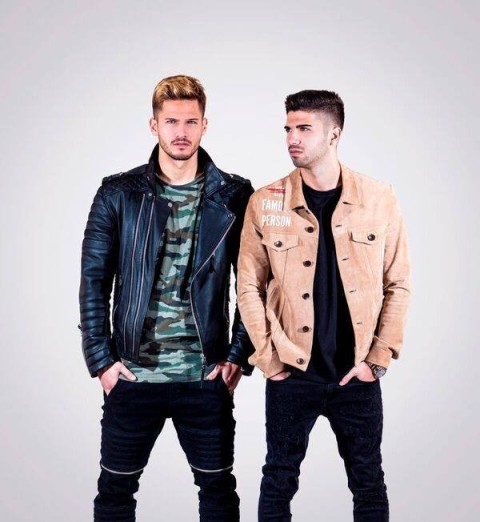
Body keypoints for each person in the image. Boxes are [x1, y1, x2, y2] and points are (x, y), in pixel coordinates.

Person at [79, 74, 254, 521]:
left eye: (191, 121)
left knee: (218, 492)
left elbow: (255, 284)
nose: (181, 132)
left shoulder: (234, 195)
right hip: (133, 375)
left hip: (205, 375)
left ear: (204, 125)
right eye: (171, 121)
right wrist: (101, 361)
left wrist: (237, 355)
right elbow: (93, 281)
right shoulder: (118, 193)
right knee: (114, 495)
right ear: (153, 125)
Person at [237, 89, 411, 521]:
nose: (292, 138)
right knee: (278, 479)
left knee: (368, 481)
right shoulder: (266, 201)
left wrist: (377, 361)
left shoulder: (379, 198)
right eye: (288, 129)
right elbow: (247, 287)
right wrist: (270, 361)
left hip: (356, 375)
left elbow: (399, 284)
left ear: (334, 134)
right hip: (291, 372)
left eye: (304, 128)